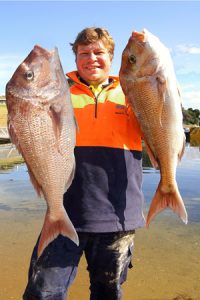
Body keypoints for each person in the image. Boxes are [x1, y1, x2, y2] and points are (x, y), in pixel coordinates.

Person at [23, 27, 145, 300]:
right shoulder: (56, 92)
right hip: (65, 212)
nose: (91, 58)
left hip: (118, 215)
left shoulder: (131, 92)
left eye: (98, 52)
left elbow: (158, 128)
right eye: (83, 53)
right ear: (75, 58)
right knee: (42, 293)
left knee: (108, 292)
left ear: (111, 56)